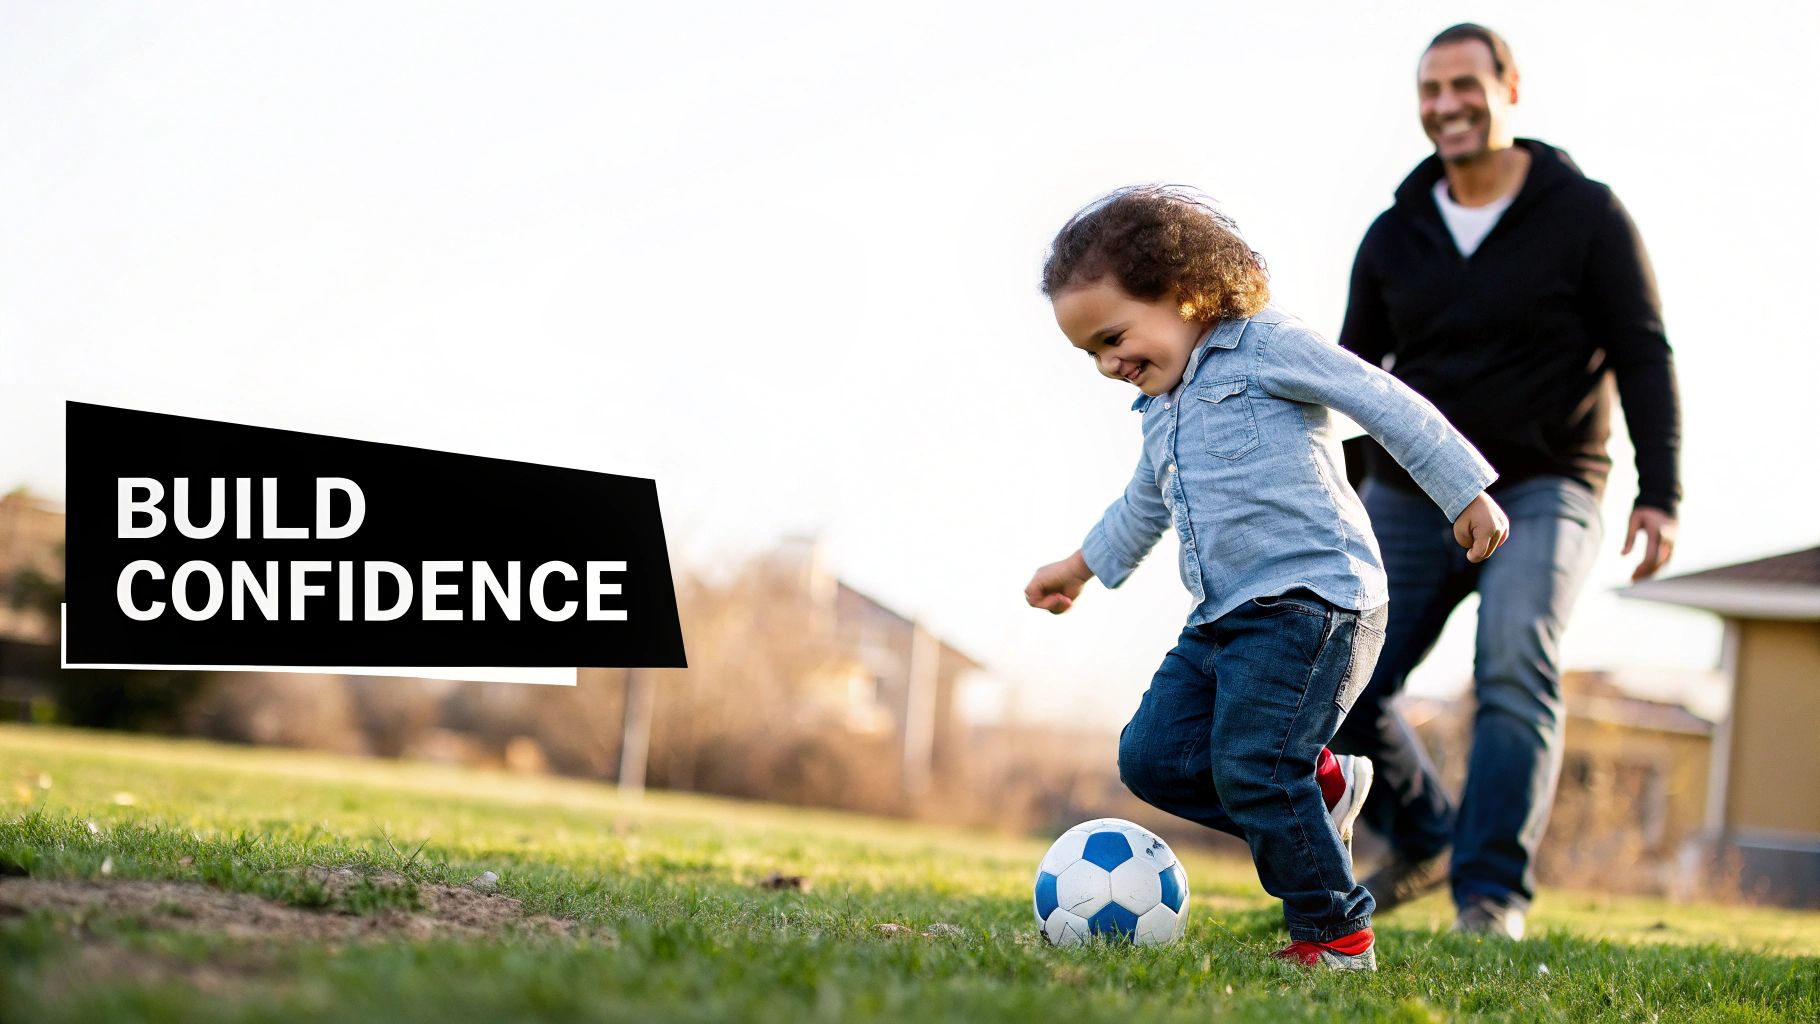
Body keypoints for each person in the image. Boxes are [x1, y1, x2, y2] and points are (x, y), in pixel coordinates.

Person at [1024, 185, 1509, 970]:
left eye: (1114, 337)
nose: (1110, 364)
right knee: (1151, 757)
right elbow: (1141, 507)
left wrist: (1462, 488)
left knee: (1252, 765)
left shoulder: (1266, 346)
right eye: (1092, 354)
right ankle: (1317, 792)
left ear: (1182, 293)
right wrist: (1078, 568)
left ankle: (1338, 934)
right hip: (1224, 616)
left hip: (1316, 603)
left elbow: (1377, 397)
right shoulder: (1161, 409)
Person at [1334, 23, 1683, 940]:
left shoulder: (1586, 214)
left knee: (1513, 654)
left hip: (1546, 483)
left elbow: (1643, 353)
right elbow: (1350, 377)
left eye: (1464, 85)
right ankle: (1423, 832)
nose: (1446, 104)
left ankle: (1489, 897)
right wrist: (1342, 499)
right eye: (1429, 89)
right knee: (1339, 668)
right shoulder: (1395, 233)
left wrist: (1662, 492)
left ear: (1510, 87)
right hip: (1413, 493)